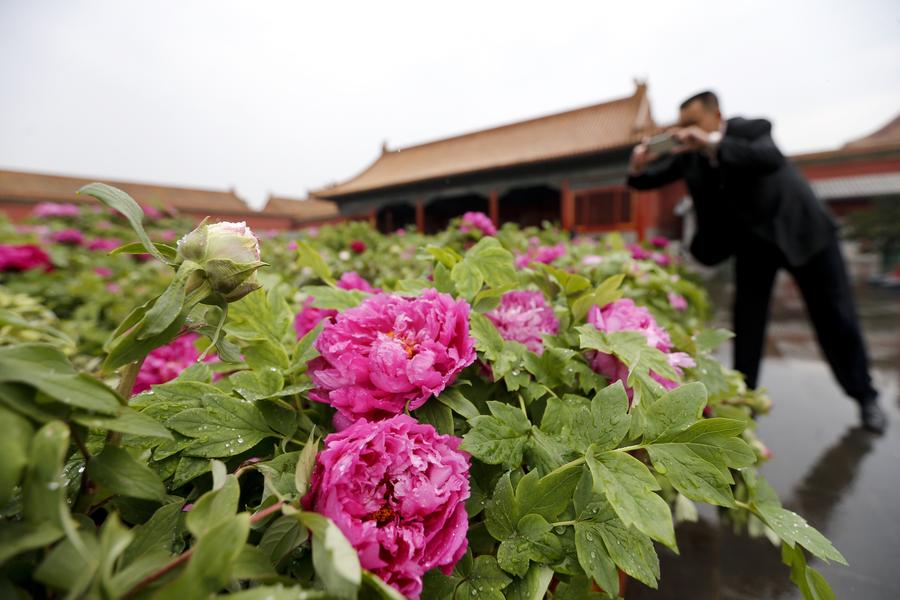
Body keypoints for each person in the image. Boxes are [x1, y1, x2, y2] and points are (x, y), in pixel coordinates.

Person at [626, 90, 887, 434]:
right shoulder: (687, 157)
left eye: (693, 122)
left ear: (716, 115)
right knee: (746, 326)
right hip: (753, 245)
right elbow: (645, 181)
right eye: (682, 124)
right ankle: (744, 407)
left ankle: (865, 396)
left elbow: (768, 158)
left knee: (836, 317)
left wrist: (713, 144)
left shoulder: (749, 130)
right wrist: (638, 165)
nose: (685, 130)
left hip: (804, 234)